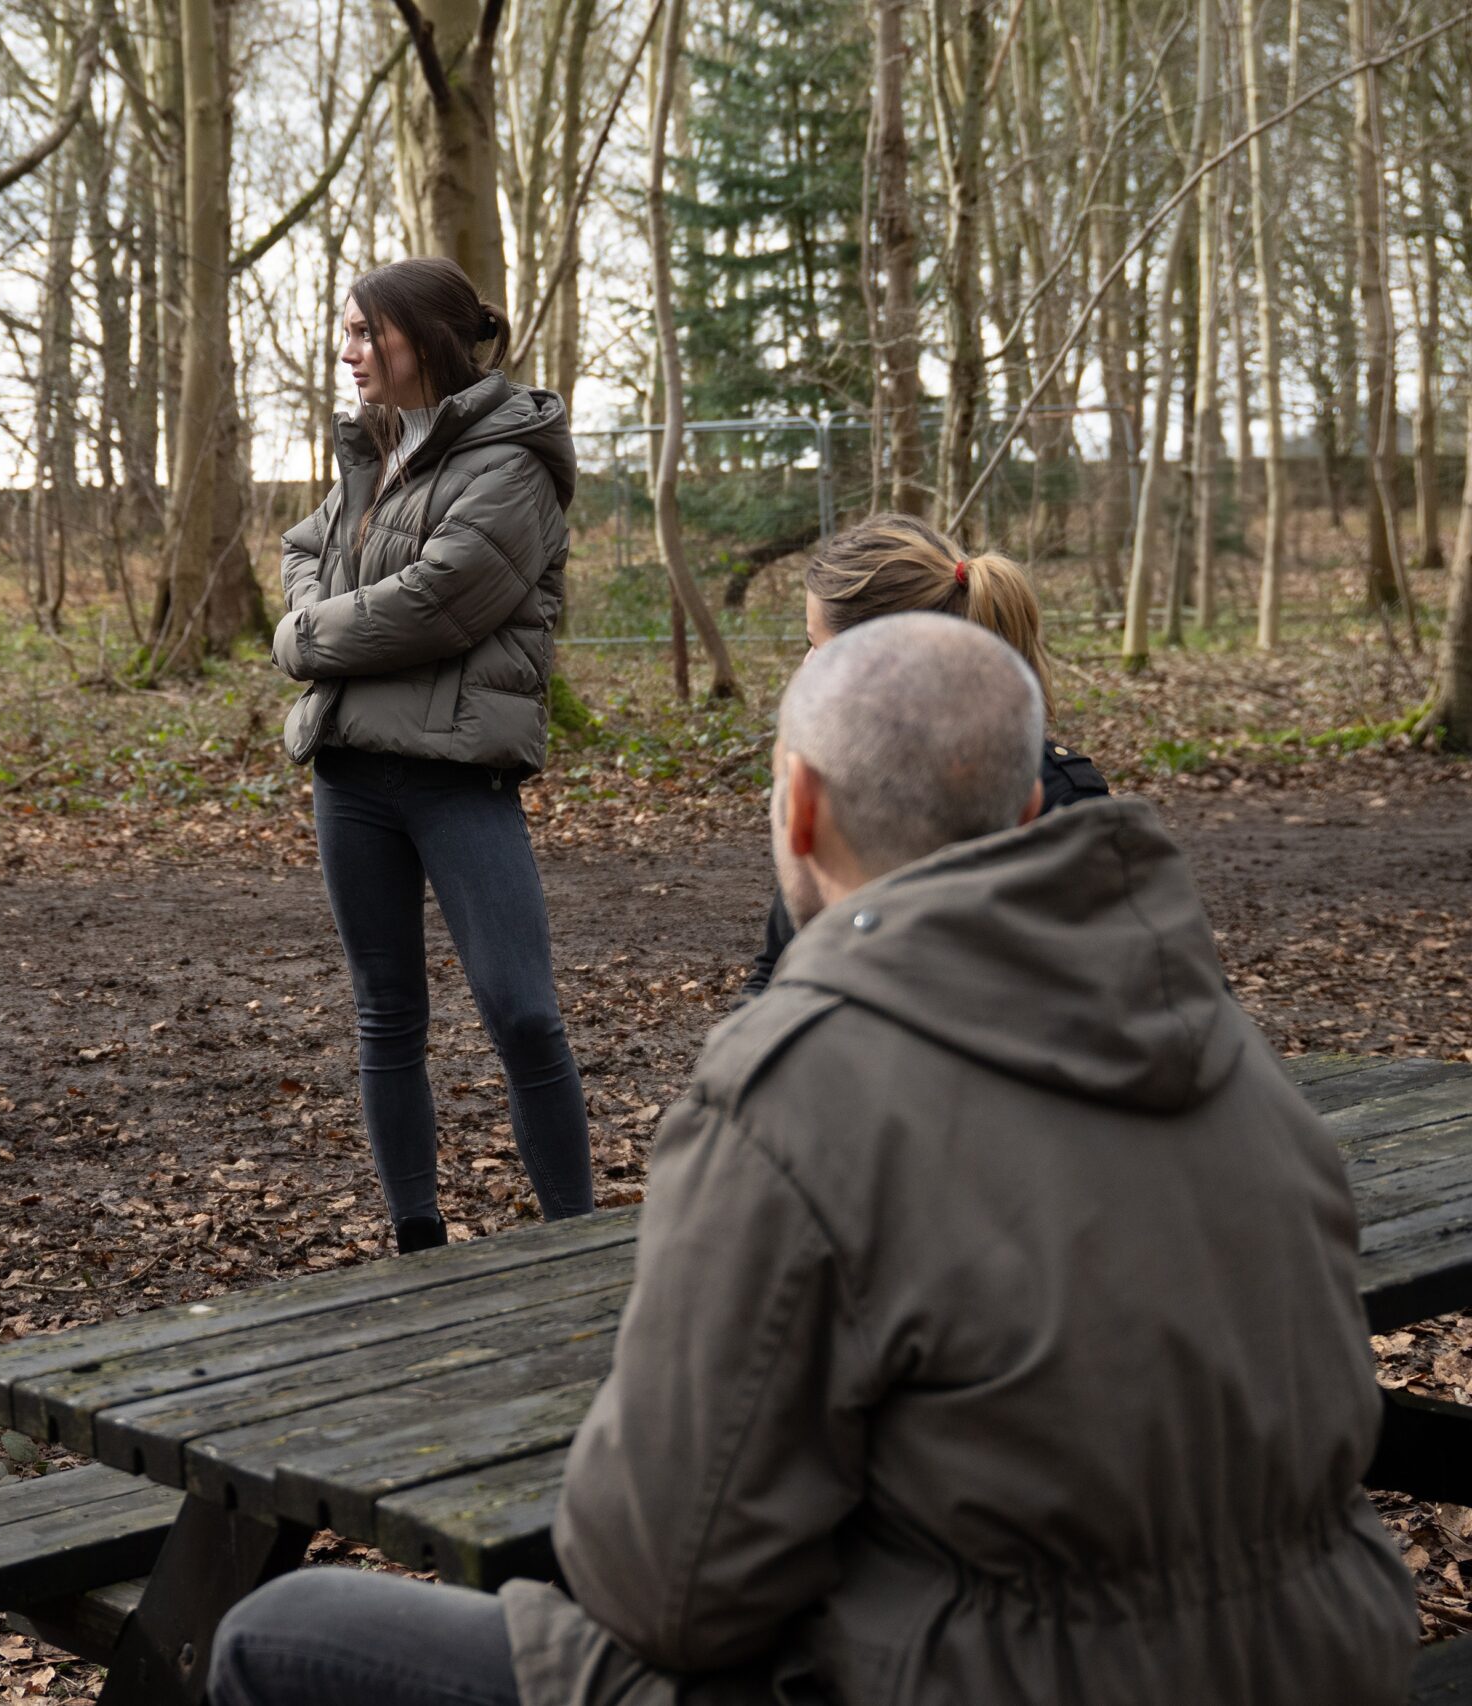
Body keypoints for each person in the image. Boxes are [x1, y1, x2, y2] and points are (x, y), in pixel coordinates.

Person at [212, 614, 1417, 1706]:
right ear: (1033, 810)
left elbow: (662, 1589)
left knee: (285, 1632)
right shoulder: (1226, 1049)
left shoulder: (800, 1085)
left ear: (797, 806)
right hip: (1318, 1656)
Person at [272, 257, 595, 1253]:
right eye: (348, 332)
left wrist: (306, 639)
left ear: (428, 339)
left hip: (460, 778)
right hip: (351, 778)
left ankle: (574, 1243)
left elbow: (440, 599)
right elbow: (301, 553)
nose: (348, 351)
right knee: (386, 1015)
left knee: (523, 1012)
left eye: (368, 332)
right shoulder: (375, 454)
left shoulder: (510, 464)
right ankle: (417, 1239)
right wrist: (319, 613)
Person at [739, 513, 1105, 1001]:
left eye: (817, 646)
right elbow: (776, 965)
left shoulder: (1064, 799)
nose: (806, 666)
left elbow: (1091, 992)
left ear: (882, 662)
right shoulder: (836, 774)